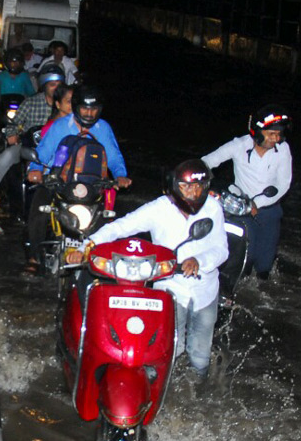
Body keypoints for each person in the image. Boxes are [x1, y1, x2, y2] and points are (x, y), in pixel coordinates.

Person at [66, 159, 229, 380]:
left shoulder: (213, 207)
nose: (194, 192)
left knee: (200, 355)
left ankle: (198, 396)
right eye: (187, 186)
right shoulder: (159, 208)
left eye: (200, 186)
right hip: (171, 288)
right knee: (169, 348)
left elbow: (221, 248)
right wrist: (86, 247)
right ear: (175, 185)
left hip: (206, 288)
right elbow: (120, 227)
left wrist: (199, 260)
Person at [23, 85, 132, 274]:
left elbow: (114, 157)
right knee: (39, 208)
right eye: (84, 108)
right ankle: (34, 255)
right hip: (59, 181)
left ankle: (99, 260)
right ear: (75, 106)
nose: (89, 113)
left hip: (91, 184)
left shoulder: (103, 128)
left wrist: (121, 176)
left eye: (94, 109)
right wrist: (36, 170)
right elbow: (43, 153)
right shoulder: (60, 126)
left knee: (107, 218)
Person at [202, 106, 292, 281]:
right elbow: (206, 162)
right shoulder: (239, 145)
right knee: (242, 257)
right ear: (257, 132)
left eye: (279, 134)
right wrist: (202, 184)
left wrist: (259, 203)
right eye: (271, 133)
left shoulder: (283, 149)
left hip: (269, 209)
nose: (276, 138)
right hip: (240, 208)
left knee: (265, 263)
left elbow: (283, 184)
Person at [0, 64, 66, 209]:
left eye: (59, 84)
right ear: (44, 85)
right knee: (6, 156)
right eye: (52, 84)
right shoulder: (31, 103)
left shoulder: (68, 106)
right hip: (30, 147)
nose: (56, 88)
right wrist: (12, 134)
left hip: (57, 150)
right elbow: (13, 123)